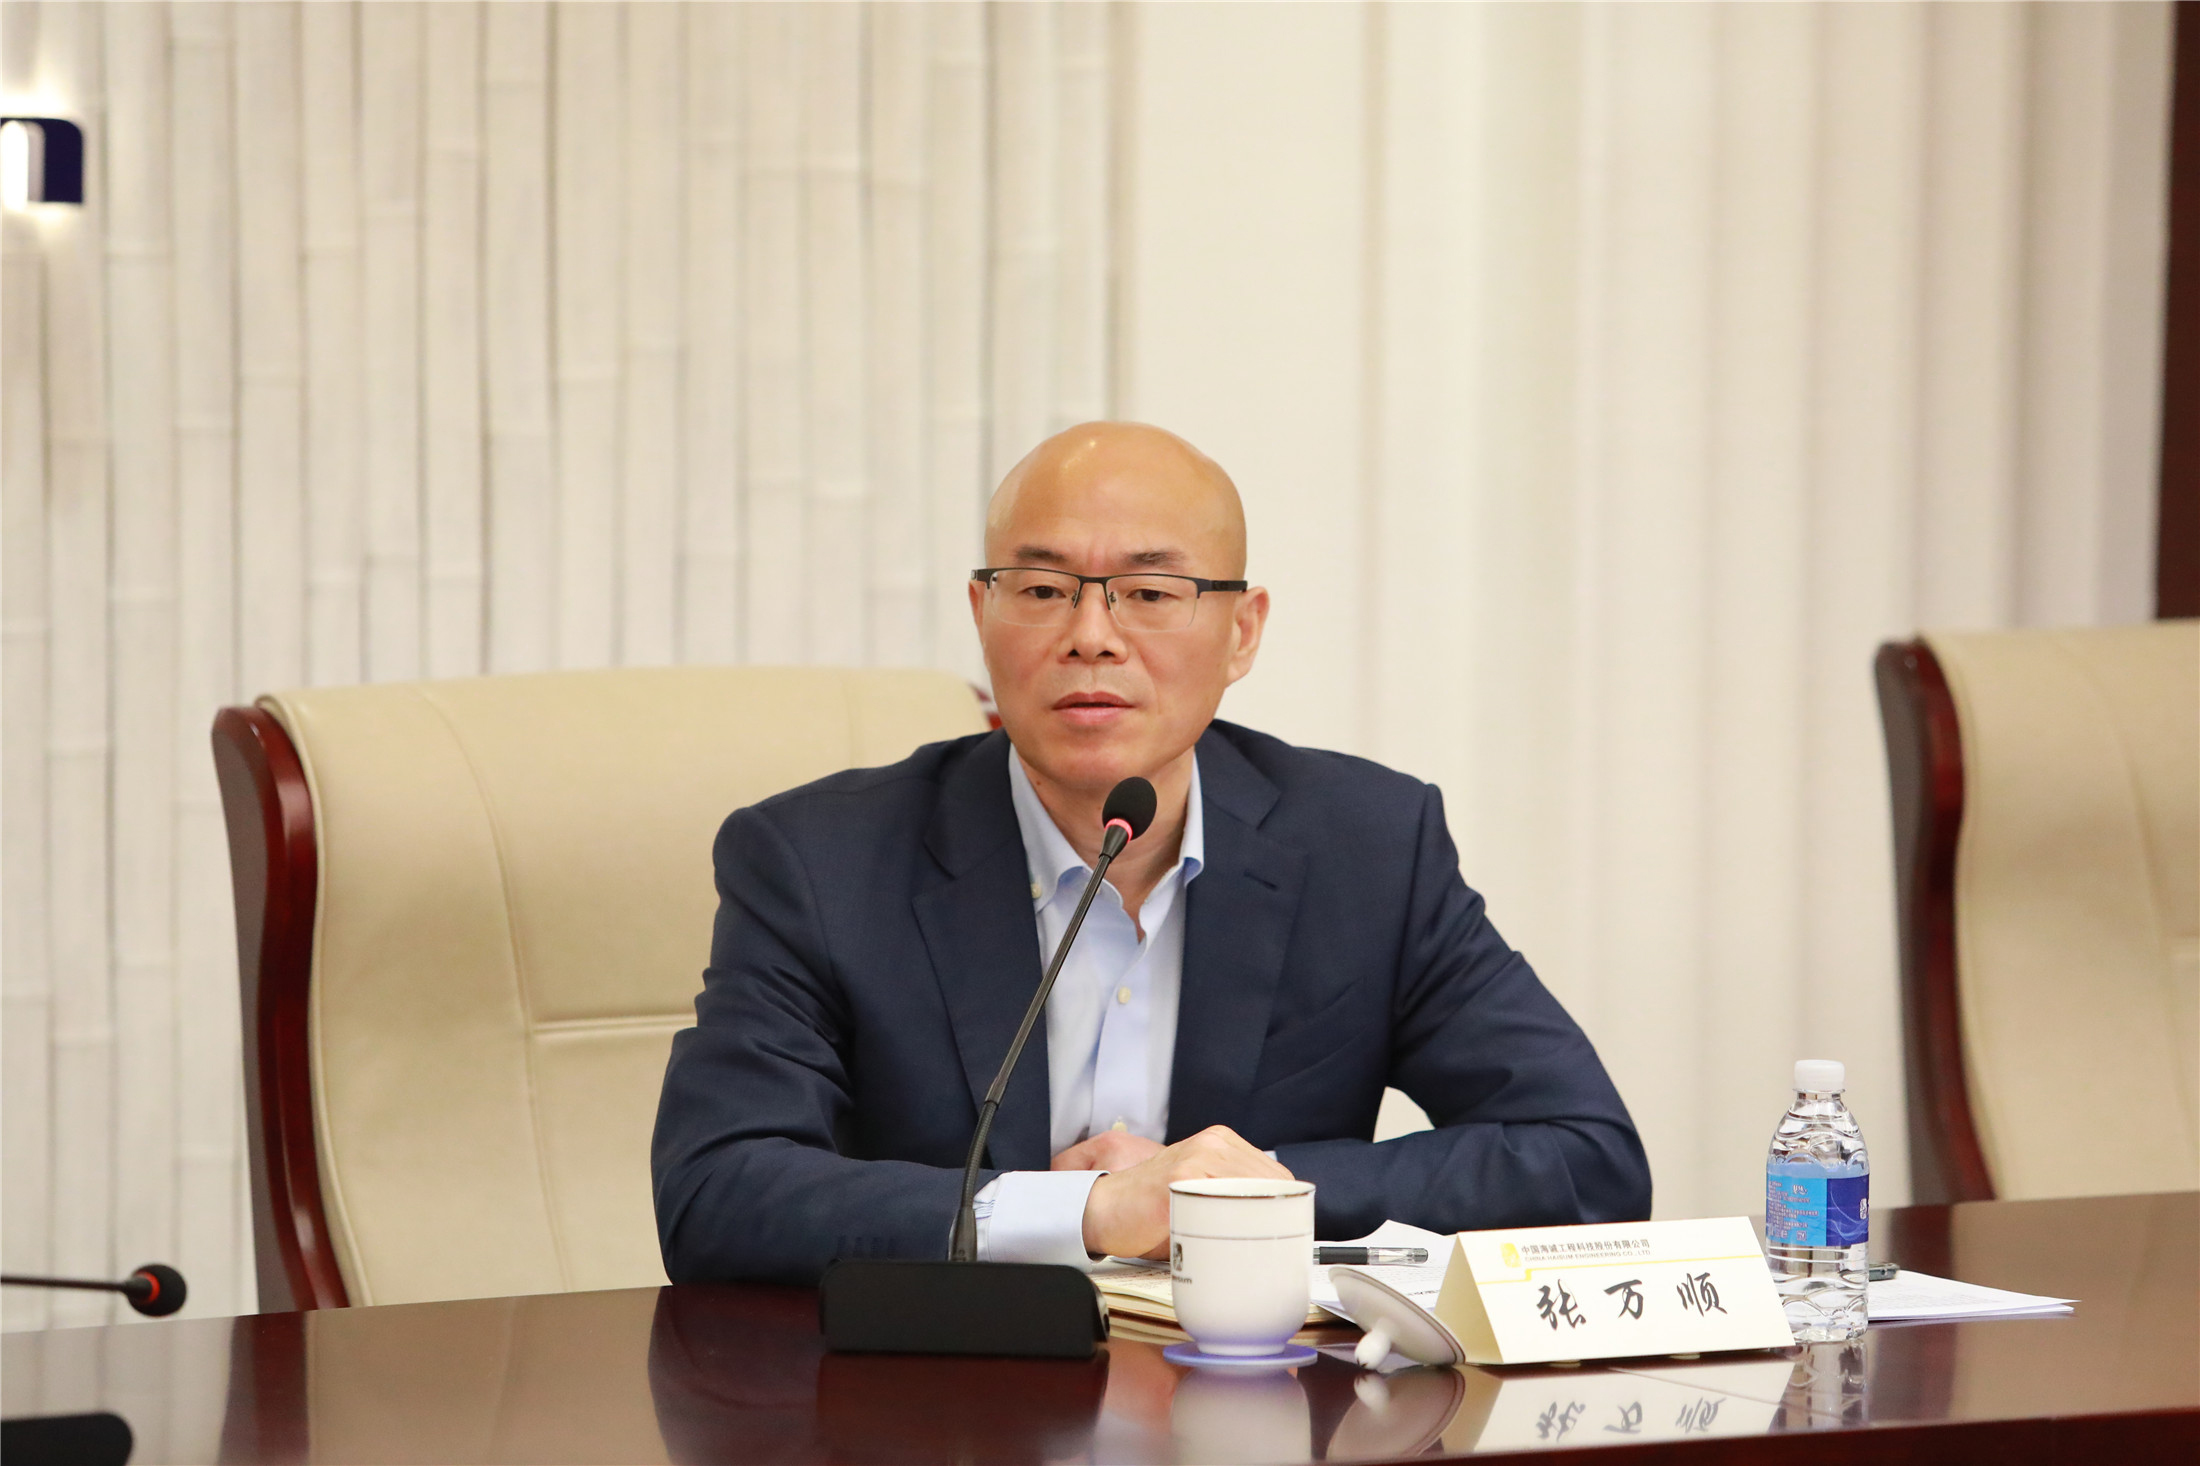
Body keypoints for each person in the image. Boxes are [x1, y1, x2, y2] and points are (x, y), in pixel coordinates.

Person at [653, 423, 1650, 1284]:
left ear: (1242, 632)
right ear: (983, 615)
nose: (1091, 635)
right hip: (944, 1398)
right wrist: (1086, 1212)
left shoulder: (1368, 848)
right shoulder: (820, 861)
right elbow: (718, 1189)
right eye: (1043, 588)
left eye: (1149, 591)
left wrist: (1240, 1195)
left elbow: (1585, 1157)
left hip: (1261, 1392)